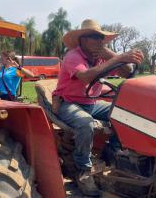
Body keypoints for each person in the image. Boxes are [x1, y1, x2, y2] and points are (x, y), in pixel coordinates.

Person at [52, 19, 144, 196]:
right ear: (83, 40)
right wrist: (119, 57)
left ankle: (112, 153)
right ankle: (83, 170)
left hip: (90, 103)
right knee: (86, 123)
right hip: (68, 103)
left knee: (123, 115)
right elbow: (86, 77)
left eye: (102, 37)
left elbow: (127, 72)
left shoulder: (102, 57)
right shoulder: (73, 56)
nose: (100, 41)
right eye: (95, 37)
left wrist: (113, 55)